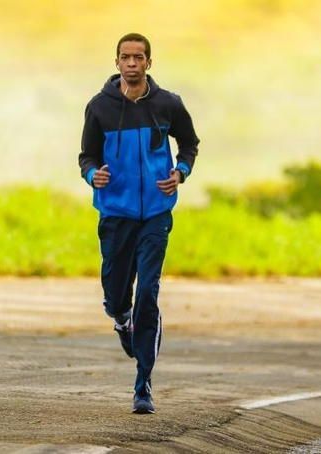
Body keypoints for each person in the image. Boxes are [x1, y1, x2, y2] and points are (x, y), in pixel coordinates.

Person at [77, 32, 200, 414]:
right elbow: (86, 156)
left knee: (148, 290)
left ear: (149, 62)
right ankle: (121, 317)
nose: (132, 63)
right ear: (116, 63)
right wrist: (92, 174)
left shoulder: (168, 104)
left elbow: (190, 144)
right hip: (116, 213)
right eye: (125, 57)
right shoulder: (99, 108)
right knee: (117, 294)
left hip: (156, 215)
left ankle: (143, 383)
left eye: (139, 57)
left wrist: (180, 172)